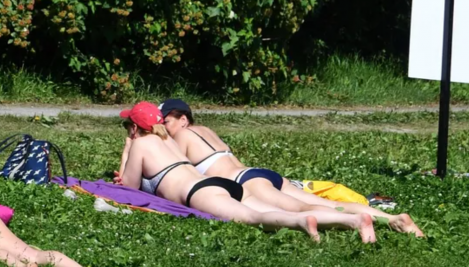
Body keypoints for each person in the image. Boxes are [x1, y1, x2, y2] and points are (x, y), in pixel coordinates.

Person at [157, 98, 424, 237]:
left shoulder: (181, 136)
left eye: (166, 120)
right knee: (316, 202)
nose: (163, 127)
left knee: (304, 208)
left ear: (183, 119)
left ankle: (357, 222)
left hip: (246, 181)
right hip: (259, 173)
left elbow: (173, 166)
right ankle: (390, 219)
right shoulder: (207, 130)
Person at [116, 101, 375, 242]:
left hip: (199, 192)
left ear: (135, 128)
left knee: (254, 218)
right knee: (277, 208)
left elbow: (127, 188)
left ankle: (305, 223)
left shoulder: (141, 143)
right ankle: (351, 220)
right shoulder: (169, 141)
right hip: (218, 183)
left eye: (128, 126)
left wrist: (128, 147)